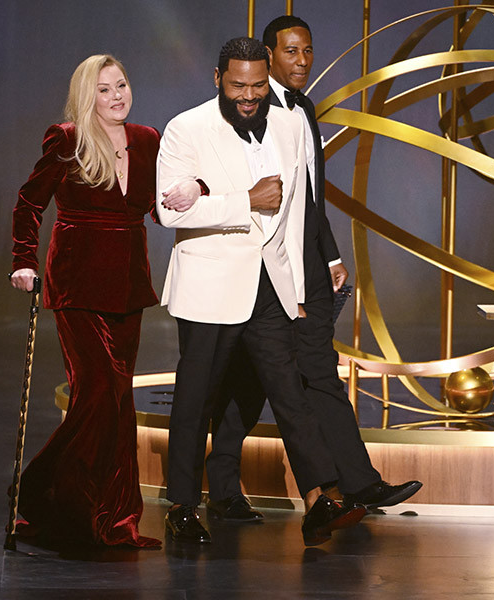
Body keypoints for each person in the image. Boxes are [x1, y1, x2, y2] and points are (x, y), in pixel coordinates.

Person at [204, 16, 423, 523]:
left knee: (310, 373)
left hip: (305, 266)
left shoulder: (302, 108)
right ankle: (227, 486)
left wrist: (327, 254)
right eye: (291, 51)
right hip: (260, 271)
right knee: (250, 378)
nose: (303, 61)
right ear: (267, 54)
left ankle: (355, 483)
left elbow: (308, 195)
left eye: (308, 51)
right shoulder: (243, 111)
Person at [156, 36, 366, 546]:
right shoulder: (186, 129)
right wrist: (244, 200)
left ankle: (319, 501)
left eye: (256, 86)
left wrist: (293, 283)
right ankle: (183, 504)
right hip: (210, 286)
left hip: (270, 287)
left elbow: (293, 215)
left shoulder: (290, 123)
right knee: (196, 399)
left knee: (290, 393)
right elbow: (170, 212)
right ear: (217, 79)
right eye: (237, 86)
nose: (248, 96)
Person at [9, 54, 197, 548]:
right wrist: (22, 259)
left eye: (122, 86)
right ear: (86, 96)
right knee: (95, 392)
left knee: (117, 402)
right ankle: (51, 501)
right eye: (105, 89)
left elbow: (158, 210)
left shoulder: (147, 139)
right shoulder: (66, 138)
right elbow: (30, 201)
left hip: (127, 284)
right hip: (76, 283)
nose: (117, 96)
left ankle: (114, 518)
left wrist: (194, 190)